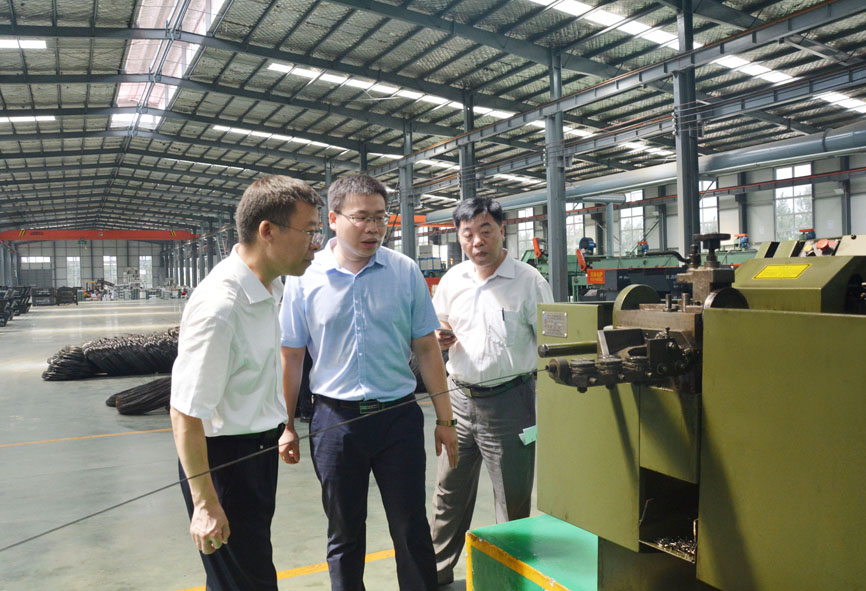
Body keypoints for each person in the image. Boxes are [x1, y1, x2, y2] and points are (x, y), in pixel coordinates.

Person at [278, 174, 459, 591]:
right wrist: (286, 425)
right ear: (334, 219)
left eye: (380, 218)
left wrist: (445, 419)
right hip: (335, 423)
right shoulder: (304, 276)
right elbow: (292, 356)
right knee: (344, 532)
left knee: (411, 527)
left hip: (398, 419)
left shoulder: (404, 271)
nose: (373, 228)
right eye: (361, 217)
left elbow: (426, 349)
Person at [169, 175, 323, 590]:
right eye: (309, 231)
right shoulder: (221, 307)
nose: (316, 244)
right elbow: (185, 413)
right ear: (267, 231)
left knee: (241, 577)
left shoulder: (270, 286)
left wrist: (281, 427)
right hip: (223, 463)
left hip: (256, 453)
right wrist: (205, 503)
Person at [429, 197, 554, 586]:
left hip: (510, 403)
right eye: (467, 234)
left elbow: (551, 344)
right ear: (459, 238)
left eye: (485, 231)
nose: (477, 241)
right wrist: (439, 336)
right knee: (448, 494)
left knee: (511, 499)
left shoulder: (529, 281)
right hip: (458, 401)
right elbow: (436, 326)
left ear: (502, 230)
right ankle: (436, 572)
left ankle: (508, 577)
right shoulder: (453, 280)